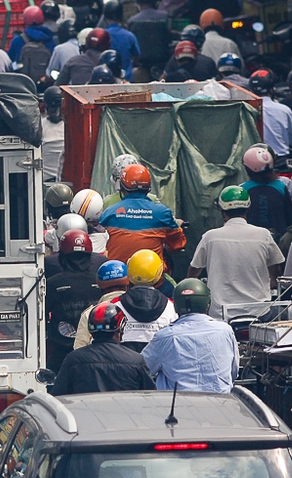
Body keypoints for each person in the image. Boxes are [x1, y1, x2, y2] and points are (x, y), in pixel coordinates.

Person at [190, 186, 284, 318]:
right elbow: (275, 268)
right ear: (248, 209)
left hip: (220, 313)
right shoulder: (264, 235)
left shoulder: (210, 237)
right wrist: (272, 281)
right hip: (259, 311)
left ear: (223, 212)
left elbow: (194, 270)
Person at [143, 279, 239, 392]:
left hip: (177, 406)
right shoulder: (225, 331)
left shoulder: (165, 336)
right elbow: (234, 372)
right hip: (220, 403)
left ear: (176, 305)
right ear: (208, 304)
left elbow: (143, 370)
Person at [53, 300, 154, 394]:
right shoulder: (136, 360)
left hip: (85, 413)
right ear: (120, 328)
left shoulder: (74, 359)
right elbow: (150, 397)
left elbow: (59, 395)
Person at [101, 163, 187, 267]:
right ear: (148, 188)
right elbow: (178, 245)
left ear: (122, 188)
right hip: (152, 278)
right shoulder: (163, 213)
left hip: (116, 276)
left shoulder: (109, 213)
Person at [45, 229, 104, 366]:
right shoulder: (100, 282)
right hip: (95, 349)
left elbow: (41, 316)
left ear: (62, 257)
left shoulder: (52, 283)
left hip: (61, 351)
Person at [240, 147, 292, 246]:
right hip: (278, 244)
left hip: (251, 243)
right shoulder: (281, 187)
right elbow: (290, 218)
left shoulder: (243, 189)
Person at [247, 71, 292, 157]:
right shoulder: (284, 110)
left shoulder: (246, 109)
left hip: (255, 159)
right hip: (281, 158)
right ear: (272, 89)